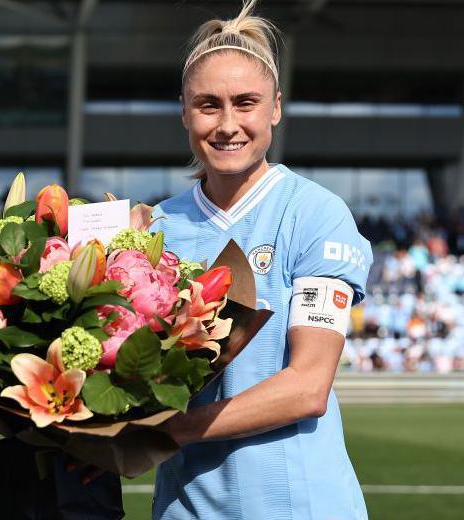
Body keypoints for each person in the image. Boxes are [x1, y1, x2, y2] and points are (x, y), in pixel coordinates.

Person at [150, 2, 373, 518]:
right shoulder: (154, 228)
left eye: (245, 103)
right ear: (184, 111)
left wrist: (168, 431)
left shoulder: (316, 214)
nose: (227, 125)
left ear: (275, 107)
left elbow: (308, 387)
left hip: (299, 505)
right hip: (184, 507)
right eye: (208, 105)